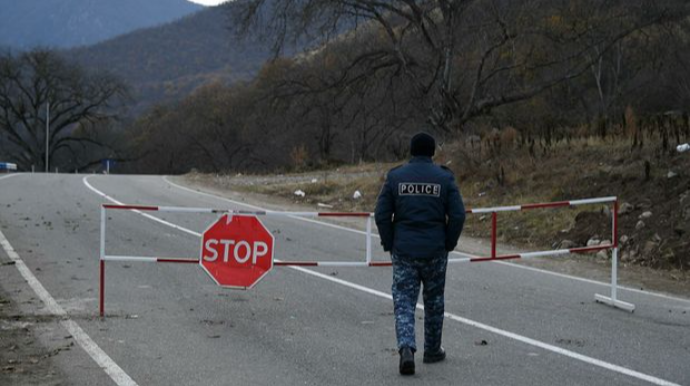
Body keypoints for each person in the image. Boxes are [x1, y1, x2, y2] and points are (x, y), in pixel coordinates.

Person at [375, 132, 465, 376]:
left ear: (412, 151)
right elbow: (458, 215)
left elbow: (381, 215)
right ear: (432, 152)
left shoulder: (395, 177)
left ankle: (406, 348)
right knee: (434, 301)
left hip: (404, 250)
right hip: (435, 250)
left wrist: (390, 243)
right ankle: (433, 350)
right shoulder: (444, 178)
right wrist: (449, 242)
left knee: (404, 301)